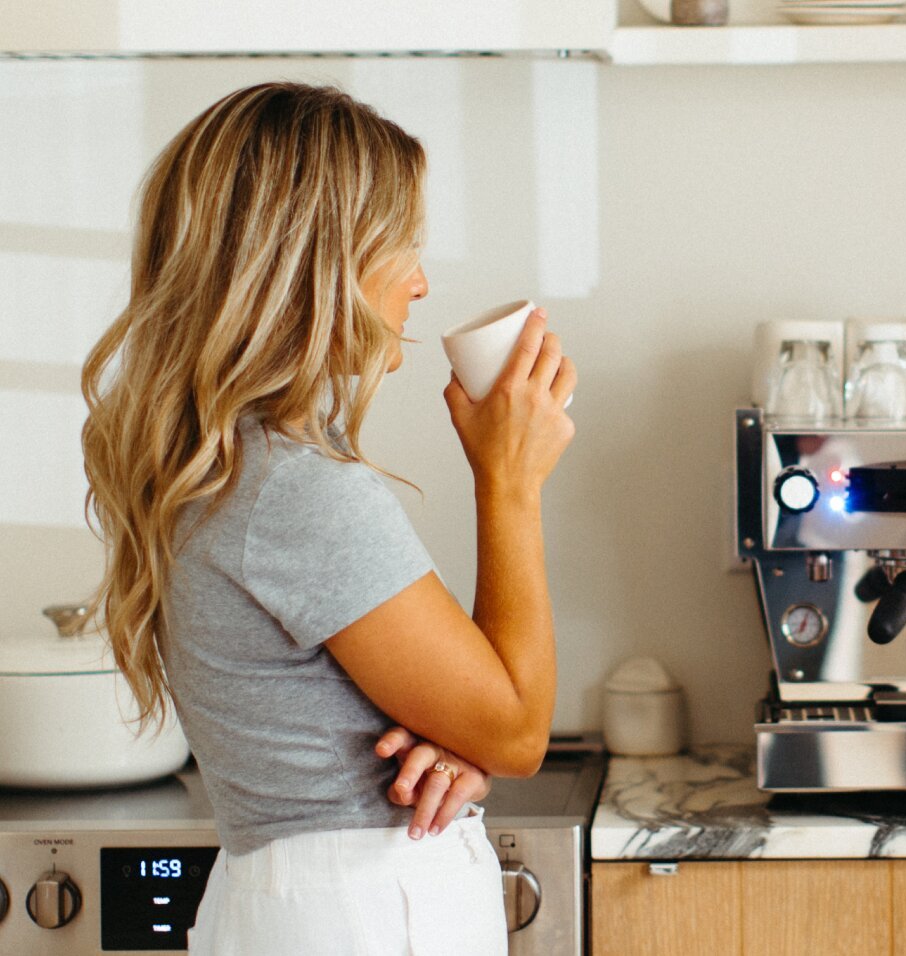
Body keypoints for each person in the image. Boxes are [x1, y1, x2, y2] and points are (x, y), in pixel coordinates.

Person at [79, 82, 575, 954]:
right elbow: (520, 728)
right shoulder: (293, 491)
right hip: (367, 917)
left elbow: (437, 720)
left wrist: (458, 744)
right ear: (319, 262)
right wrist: (510, 481)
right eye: (401, 248)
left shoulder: (229, 462)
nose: (419, 284)